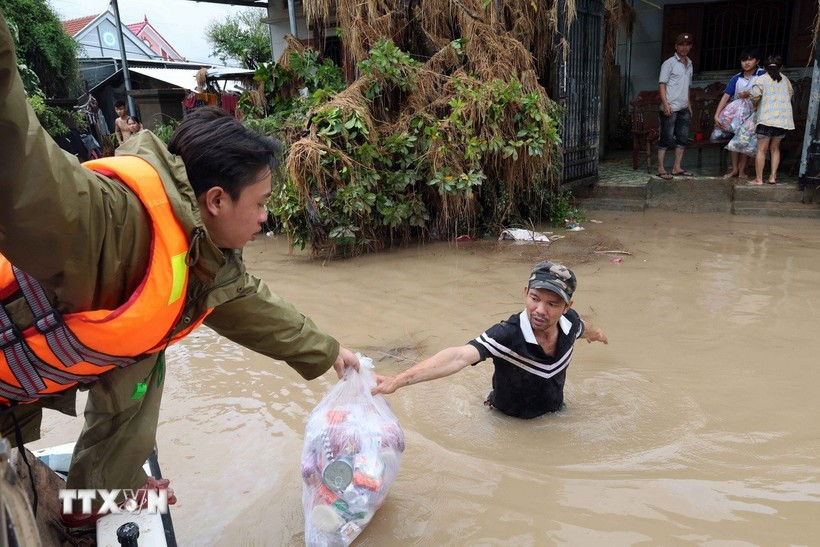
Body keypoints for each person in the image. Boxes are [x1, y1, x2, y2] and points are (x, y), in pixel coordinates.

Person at [0, 14, 359, 527]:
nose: (266, 218)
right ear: (215, 200)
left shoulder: (202, 260)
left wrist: (331, 353)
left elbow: (250, 304)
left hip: (31, 383)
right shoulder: (109, 219)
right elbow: (20, 169)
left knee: (147, 368)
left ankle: (91, 507)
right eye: (259, 204)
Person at [371, 261, 608, 419]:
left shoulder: (571, 324)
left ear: (567, 307)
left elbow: (585, 329)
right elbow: (458, 356)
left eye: (552, 304)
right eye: (534, 298)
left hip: (554, 414)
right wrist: (398, 380)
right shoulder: (507, 335)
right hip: (506, 422)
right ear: (526, 293)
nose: (539, 310)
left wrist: (597, 335)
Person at [714, 47, 765, 179]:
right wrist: (717, 114)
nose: (746, 63)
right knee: (735, 141)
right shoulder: (736, 78)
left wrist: (748, 93)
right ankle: (735, 169)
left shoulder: (762, 75)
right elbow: (726, 96)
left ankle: (742, 170)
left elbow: (765, 90)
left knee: (746, 141)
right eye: (744, 60)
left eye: (750, 60)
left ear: (757, 61)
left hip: (755, 113)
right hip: (738, 115)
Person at [748, 54, 794, 185]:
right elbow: (790, 95)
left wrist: (756, 106)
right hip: (782, 120)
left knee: (761, 149)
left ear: (764, 67)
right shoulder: (786, 80)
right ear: (781, 67)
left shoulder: (761, 79)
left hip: (766, 119)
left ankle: (759, 179)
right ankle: (773, 177)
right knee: (775, 149)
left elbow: (755, 96)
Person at [656, 32, 695, 180]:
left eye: (687, 45)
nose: (684, 48)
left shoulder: (690, 64)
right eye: (681, 45)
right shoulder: (669, 63)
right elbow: (662, 85)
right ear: (676, 46)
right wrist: (665, 104)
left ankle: (676, 167)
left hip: (684, 106)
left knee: (682, 138)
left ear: (690, 46)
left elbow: (688, 87)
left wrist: (689, 105)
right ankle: (660, 168)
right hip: (670, 107)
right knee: (666, 138)